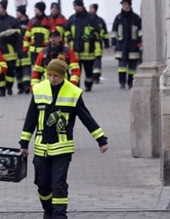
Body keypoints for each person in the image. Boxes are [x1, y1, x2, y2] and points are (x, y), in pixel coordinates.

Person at [20, 58, 109, 219]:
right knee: (42, 186)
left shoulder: (73, 92)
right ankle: (48, 211)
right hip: (41, 148)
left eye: (56, 76)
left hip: (62, 149)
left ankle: (60, 215)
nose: (52, 79)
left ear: (63, 75)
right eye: (50, 75)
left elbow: (86, 118)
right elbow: (31, 118)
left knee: (59, 184)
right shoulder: (39, 89)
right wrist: (24, 143)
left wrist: (101, 139)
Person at [64, 0, 101, 92]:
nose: (74, 8)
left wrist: (91, 36)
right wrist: (69, 38)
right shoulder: (72, 18)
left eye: (75, 6)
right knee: (76, 71)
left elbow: (97, 32)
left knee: (89, 71)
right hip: (75, 51)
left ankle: (88, 85)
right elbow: (66, 29)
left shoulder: (91, 18)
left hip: (88, 51)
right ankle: (76, 86)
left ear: (80, 6)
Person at [0, 0, 23, 96]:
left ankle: (9, 87)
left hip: (10, 49)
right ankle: (2, 89)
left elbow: (19, 34)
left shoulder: (12, 20)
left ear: (4, 8)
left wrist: (11, 34)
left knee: (10, 70)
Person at [111, 0, 143, 89]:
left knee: (132, 67)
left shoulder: (136, 18)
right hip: (121, 46)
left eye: (125, 4)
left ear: (129, 5)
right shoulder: (118, 18)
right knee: (121, 66)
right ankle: (122, 83)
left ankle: (130, 83)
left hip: (133, 46)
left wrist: (140, 41)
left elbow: (140, 31)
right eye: (122, 5)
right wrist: (114, 43)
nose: (124, 6)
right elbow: (114, 32)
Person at [88, 3, 110, 84]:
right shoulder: (87, 19)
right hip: (88, 45)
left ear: (94, 9)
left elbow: (105, 33)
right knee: (90, 61)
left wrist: (107, 44)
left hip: (98, 44)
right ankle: (91, 76)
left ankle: (96, 77)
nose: (89, 10)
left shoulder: (100, 21)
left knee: (97, 61)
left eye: (90, 8)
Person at [16, 5, 32, 94]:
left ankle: (26, 86)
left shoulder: (29, 22)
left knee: (26, 68)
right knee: (18, 69)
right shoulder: (15, 23)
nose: (16, 13)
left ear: (21, 13)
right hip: (17, 49)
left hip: (26, 49)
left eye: (17, 12)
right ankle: (20, 87)